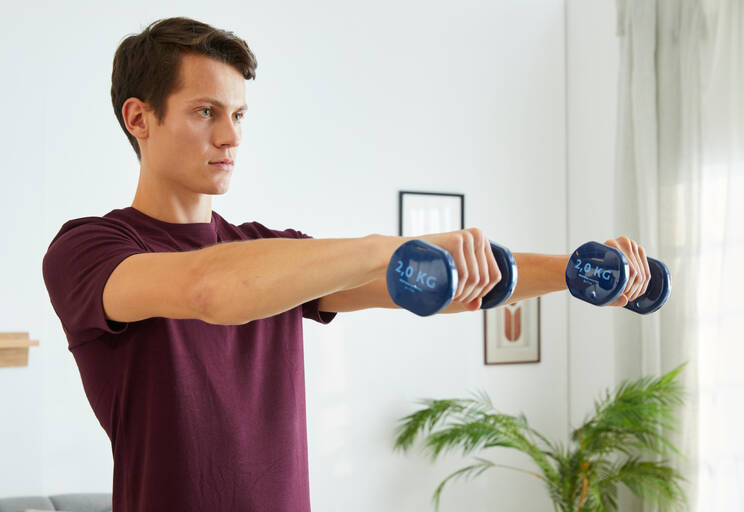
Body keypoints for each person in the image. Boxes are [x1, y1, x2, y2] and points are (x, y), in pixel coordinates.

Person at [41, 16, 652, 512]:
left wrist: (575, 272)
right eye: (206, 112)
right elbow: (207, 289)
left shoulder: (271, 249)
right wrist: (382, 245)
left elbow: (438, 284)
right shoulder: (92, 250)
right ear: (139, 118)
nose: (231, 137)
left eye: (239, 114)